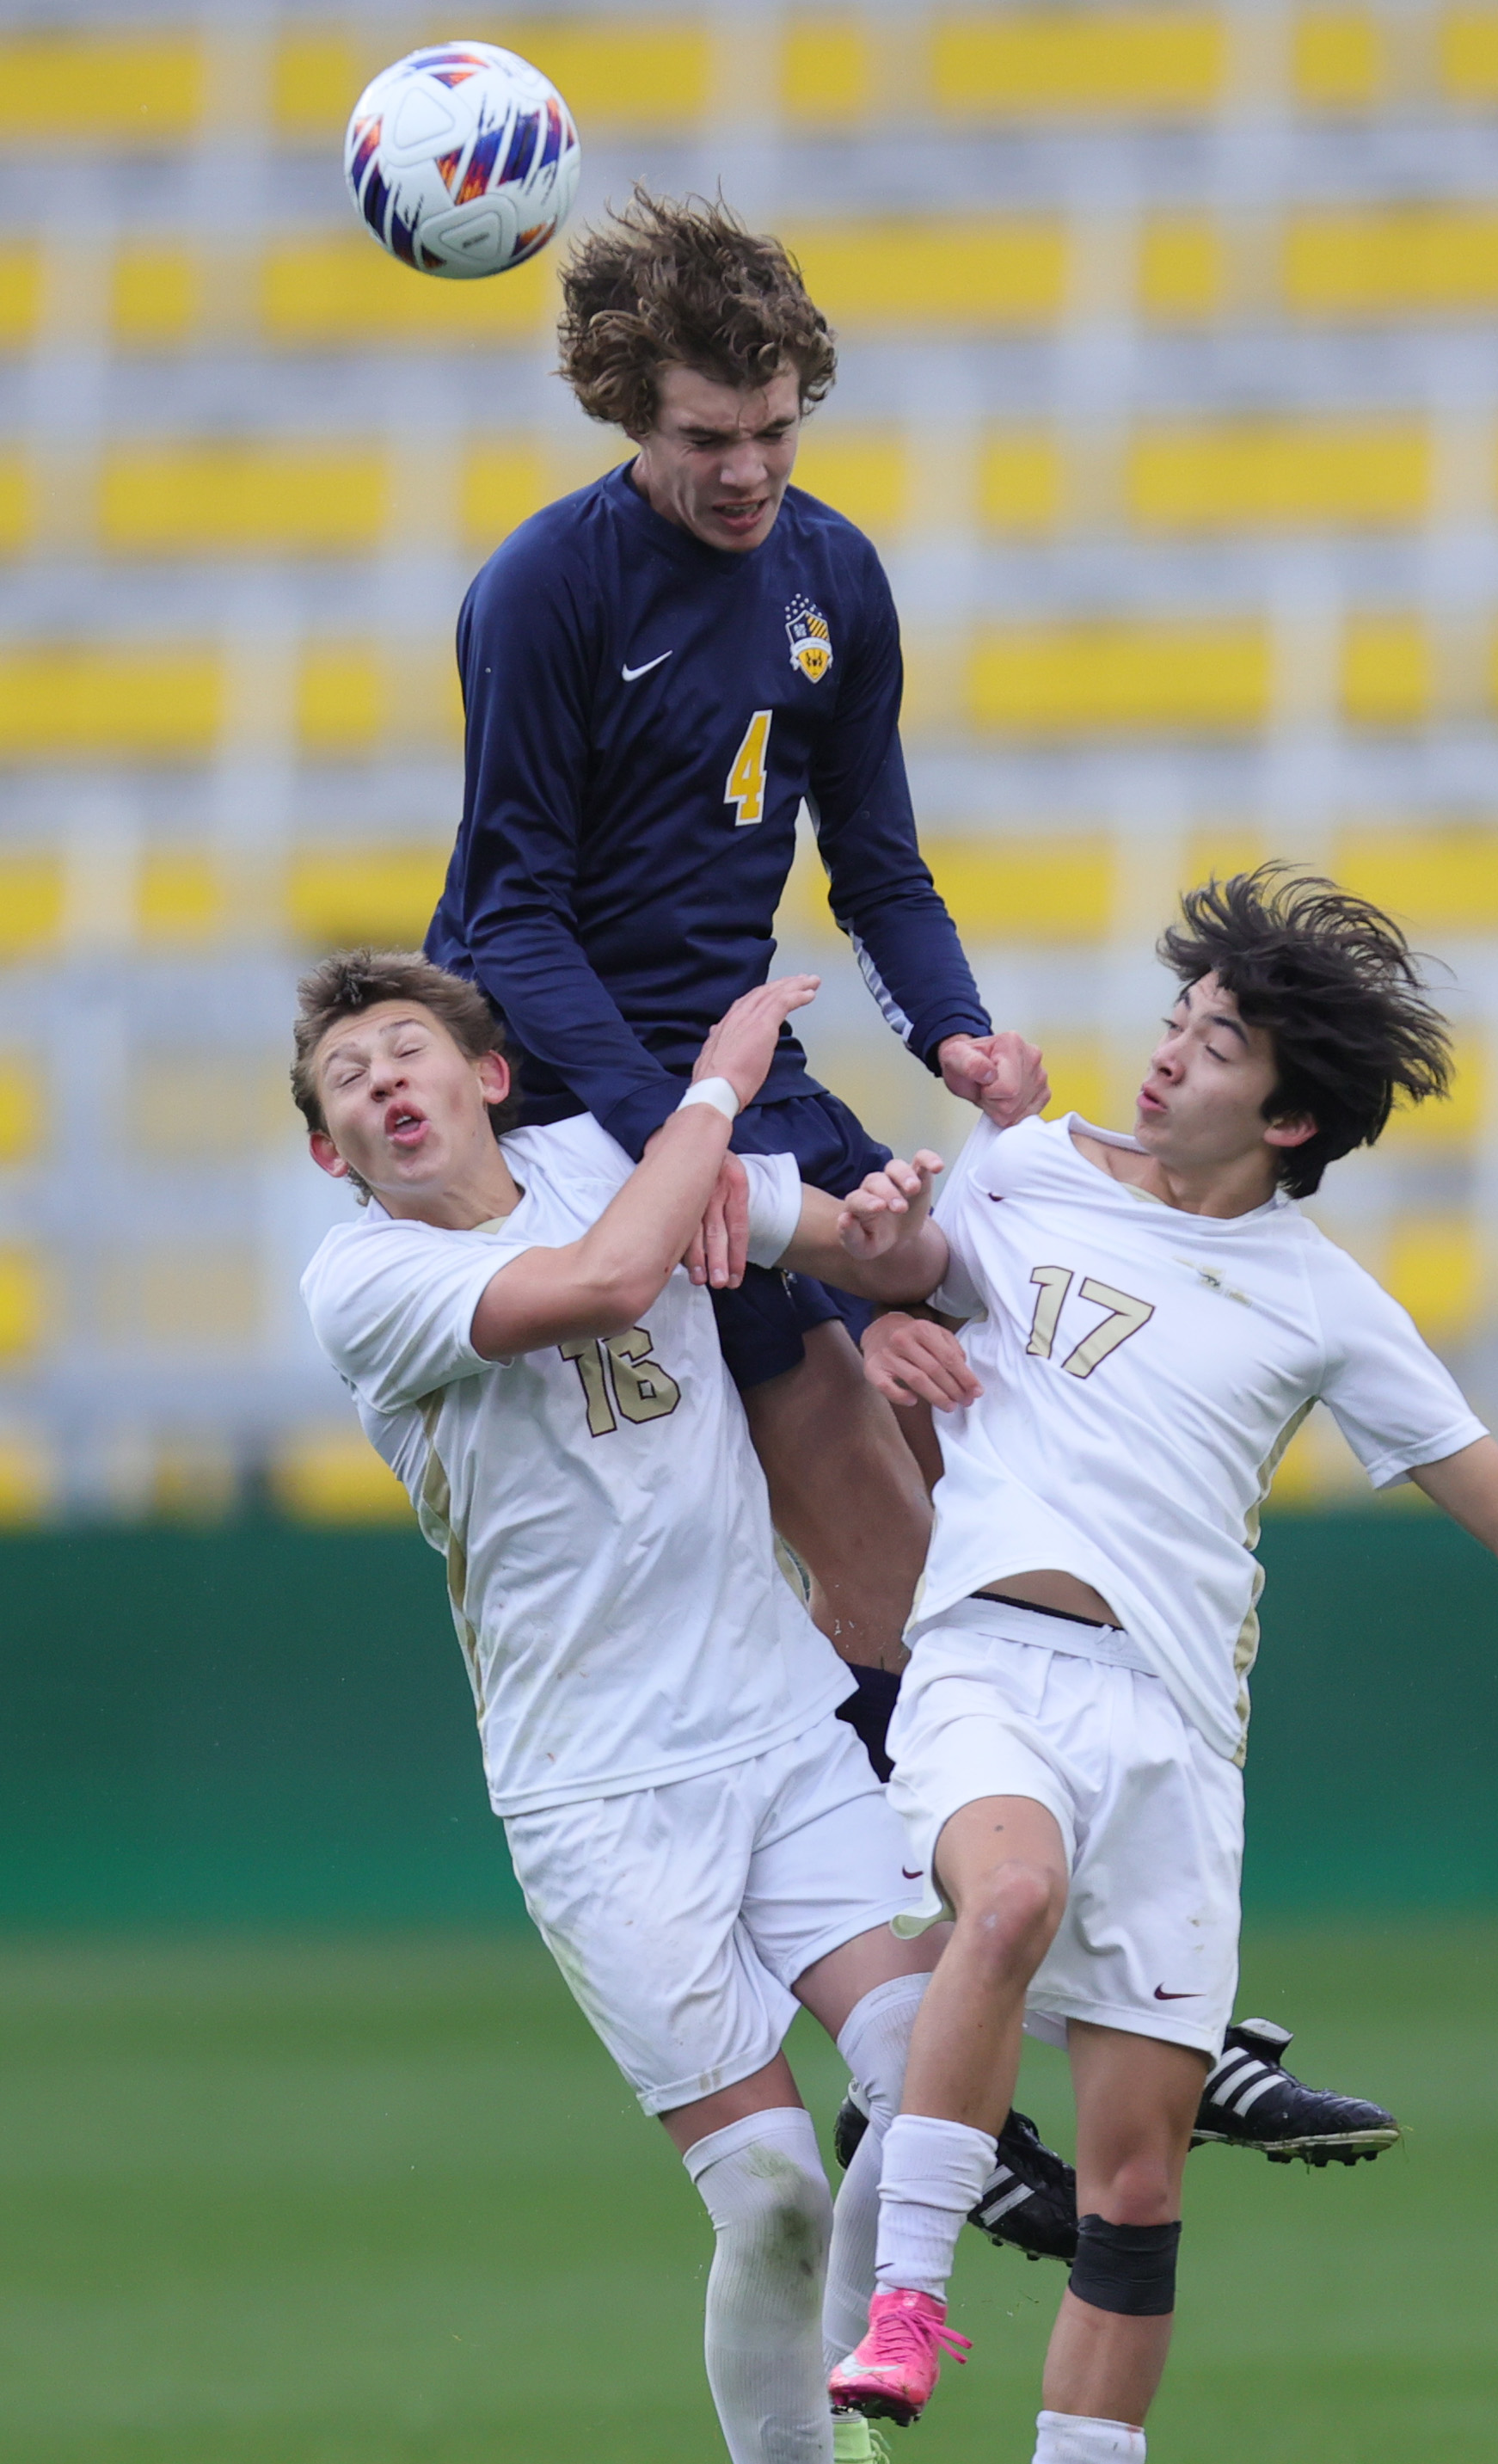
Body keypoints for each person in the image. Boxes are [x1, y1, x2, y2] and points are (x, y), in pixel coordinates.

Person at [825, 869, 1498, 2458]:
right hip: (989, 1664)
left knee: (1135, 2185)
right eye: (1177, 1019)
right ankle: (907, 2300)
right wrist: (867, 1313)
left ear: (1287, 1119)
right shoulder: (1022, 1171)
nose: (1167, 1053)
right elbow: (843, 1261)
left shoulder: (1323, 1301)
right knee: (1006, 1898)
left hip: (1171, 1732)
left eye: (1216, 1043)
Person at [292, 947, 968, 2464]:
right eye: (347, 1079)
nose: (384, 1081)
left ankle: (864, 2389)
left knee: (933, 2074)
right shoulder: (364, 1279)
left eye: (406, 1050)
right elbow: (607, 1278)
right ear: (332, 1153)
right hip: (594, 1792)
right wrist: (715, 1086)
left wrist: (890, 1273)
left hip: (781, 1725)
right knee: (774, 2194)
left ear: (490, 1075)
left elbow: (841, 1241)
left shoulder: (607, 1154)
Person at [424, 187, 1047, 1739]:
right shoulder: (544, 590)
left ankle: (913, 1811)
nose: (750, 469)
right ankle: (915, 1858)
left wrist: (958, 1037)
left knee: (1001, 1450)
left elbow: (878, 867)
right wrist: (678, 1142)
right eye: (708, 438)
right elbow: (508, 919)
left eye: (775, 428)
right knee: (901, 1565)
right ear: (628, 412)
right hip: (592, 1103)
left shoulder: (833, 576)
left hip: (741, 1079)